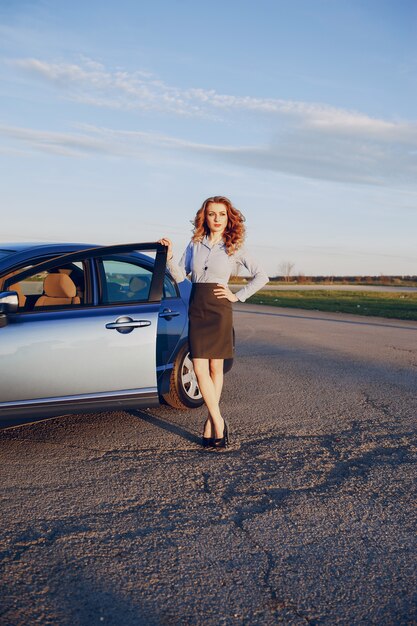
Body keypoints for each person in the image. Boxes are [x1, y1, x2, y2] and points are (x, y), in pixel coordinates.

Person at [158, 196, 268, 449]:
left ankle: (211, 423)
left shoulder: (234, 246)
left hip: (220, 308)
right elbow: (179, 277)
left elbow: (262, 276)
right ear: (204, 217)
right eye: (212, 214)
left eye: (221, 214)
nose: (216, 219)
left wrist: (236, 296)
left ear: (229, 218)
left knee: (215, 369)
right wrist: (170, 256)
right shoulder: (195, 243)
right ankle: (219, 421)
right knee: (199, 368)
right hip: (197, 306)